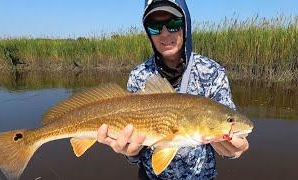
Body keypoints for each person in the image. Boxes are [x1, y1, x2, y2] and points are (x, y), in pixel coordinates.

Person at [97, 0, 249, 179]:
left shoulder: (212, 71)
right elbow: (134, 155)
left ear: (185, 24)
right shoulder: (139, 75)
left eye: (173, 23)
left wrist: (233, 151)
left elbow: (229, 139)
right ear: (148, 33)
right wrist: (130, 153)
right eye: (154, 26)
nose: (164, 33)